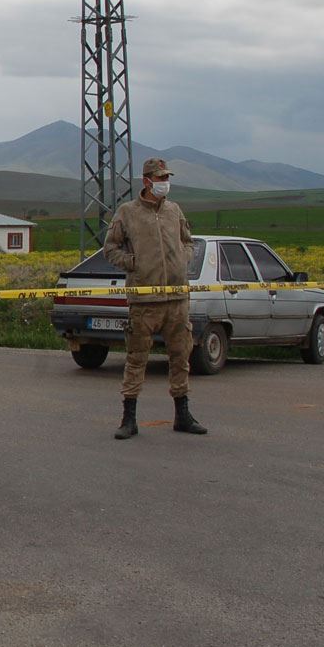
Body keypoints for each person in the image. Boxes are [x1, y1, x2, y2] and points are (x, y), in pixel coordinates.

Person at [104, 157, 208, 439]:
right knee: (136, 359)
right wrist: (134, 263)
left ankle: (183, 414)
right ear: (147, 181)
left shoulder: (174, 211)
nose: (165, 183)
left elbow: (188, 241)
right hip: (144, 300)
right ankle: (129, 418)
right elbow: (110, 248)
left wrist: (182, 260)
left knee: (180, 357)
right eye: (160, 178)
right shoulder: (127, 212)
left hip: (176, 298)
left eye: (166, 178)